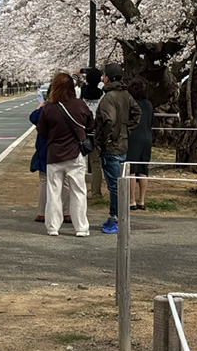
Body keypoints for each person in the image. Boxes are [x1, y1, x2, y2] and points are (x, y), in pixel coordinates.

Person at [35, 72, 93, 237]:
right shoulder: (80, 105)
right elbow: (90, 125)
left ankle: (53, 227)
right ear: (72, 87)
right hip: (76, 154)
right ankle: (81, 227)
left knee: (53, 191)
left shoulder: (49, 107)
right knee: (78, 191)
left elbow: (42, 131)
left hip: (54, 155)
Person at [94, 63, 141, 234]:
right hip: (123, 144)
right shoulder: (125, 95)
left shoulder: (109, 97)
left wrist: (103, 139)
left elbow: (109, 121)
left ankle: (115, 216)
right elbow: (137, 113)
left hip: (111, 147)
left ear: (107, 77)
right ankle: (120, 215)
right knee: (120, 182)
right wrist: (127, 129)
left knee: (114, 185)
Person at [126, 77, 154, 210]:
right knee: (143, 170)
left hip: (134, 137)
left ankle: (131, 200)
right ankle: (141, 200)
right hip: (147, 137)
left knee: (131, 169)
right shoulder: (149, 104)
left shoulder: (131, 104)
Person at [79, 67, 105, 200]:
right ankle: (96, 192)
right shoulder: (102, 94)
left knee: (79, 162)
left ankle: (79, 191)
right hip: (97, 129)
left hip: (83, 129)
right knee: (96, 163)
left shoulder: (82, 92)